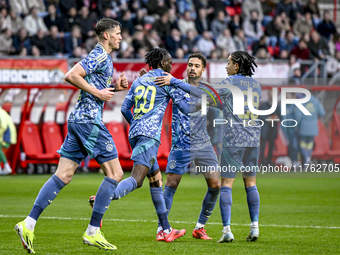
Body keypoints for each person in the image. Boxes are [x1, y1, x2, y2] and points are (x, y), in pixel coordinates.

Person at [14, 18, 128, 253]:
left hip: (78, 120)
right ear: (106, 35)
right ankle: (93, 231)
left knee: (64, 175)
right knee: (116, 173)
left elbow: (94, 88)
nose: (120, 37)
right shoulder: (99, 55)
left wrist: (115, 88)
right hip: (88, 122)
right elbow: (71, 75)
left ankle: (28, 223)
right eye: (117, 33)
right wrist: (99, 92)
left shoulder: (104, 58)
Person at [117, 48, 190, 243]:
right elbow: (185, 108)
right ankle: (104, 197)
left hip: (135, 134)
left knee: (156, 181)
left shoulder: (139, 79)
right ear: (161, 63)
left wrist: (136, 125)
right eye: (169, 62)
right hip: (149, 137)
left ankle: (165, 230)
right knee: (137, 180)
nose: (171, 65)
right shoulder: (165, 80)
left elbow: (125, 108)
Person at [154, 53, 221, 240]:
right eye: (190, 65)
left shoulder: (205, 89)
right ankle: (163, 228)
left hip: (203, 143)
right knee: (171, 184)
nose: (192, 68)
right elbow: (181, 105)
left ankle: (200, 227)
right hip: (181, 143)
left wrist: (173, 80)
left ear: (203, 69)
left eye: (196, 66)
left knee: (215, 185)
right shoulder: (175, 85)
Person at [216, 52, 261, 243]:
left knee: (226, 185)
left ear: (236, 65)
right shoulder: (256, 85)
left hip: (233, 140)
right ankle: (255, 227)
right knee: (251, 184)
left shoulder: (229, 82)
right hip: (253, 139)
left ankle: (227, 230)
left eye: (228, 63)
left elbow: (207, 94)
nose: (226, 66)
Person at [295, 92, 325, 165]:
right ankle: (308, 158)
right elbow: (322, 113)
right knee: (310, 144)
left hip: (303, 126)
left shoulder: (301, 101)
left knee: (302, 144)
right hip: (313, 126)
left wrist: (296, 126)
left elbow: (298, 116)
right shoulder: (316, 101)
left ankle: (307, 158)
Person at [0, 106, 16, 175]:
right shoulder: (3, 112)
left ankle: (7, 167)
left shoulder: (1, 113)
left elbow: (3, 126)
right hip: (8, 134)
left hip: (6, 135)